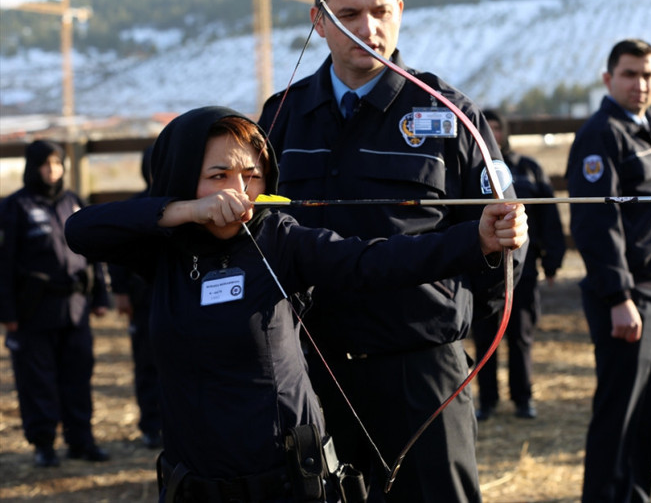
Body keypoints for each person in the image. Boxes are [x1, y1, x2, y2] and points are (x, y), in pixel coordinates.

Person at [64, 106, 527, 503]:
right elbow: (81, 229)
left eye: (252, 176)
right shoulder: (162, 248)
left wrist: (476, 239)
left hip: (288, 478)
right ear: (184, 178)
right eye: (218, 176)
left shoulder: (278, 238)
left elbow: (372, 261)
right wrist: (186, 211)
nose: (239, 192)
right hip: (195, 480)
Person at [257, 0, 523, 501]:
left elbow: (502, 237)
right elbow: (258, 231)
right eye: (348, 13)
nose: (369, 28)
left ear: (399, 12)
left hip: (421, 369)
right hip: (317, 370)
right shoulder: (283, 116)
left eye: (380, 11)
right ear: (318, 20)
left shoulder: (450, 114)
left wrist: (474, 325)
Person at [564, 38, 651, 502]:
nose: (640, 84)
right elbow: (598, 223)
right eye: (630, 74)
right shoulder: (602, 134)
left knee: (648, 419)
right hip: (628, 298)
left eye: (649, 75)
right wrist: (618, 297)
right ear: (608, 78)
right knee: (618, 419)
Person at [0, 140, 111, 467]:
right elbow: (3, 263)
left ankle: (81, 440)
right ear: (32, 167)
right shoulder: (15, 207)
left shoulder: (73, 202)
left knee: (78, 376)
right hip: (33, 311)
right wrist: (6, 312)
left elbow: (93, 253)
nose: (53, 170)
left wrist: (100, 295)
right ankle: (44, 444)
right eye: (46, 164)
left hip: (75, 308)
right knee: (37, 381)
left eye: (58, 164)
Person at [473, 108, 566, 421]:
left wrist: (552, 260)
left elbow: (549, 218)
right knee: (486, 339)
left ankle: (523, 398)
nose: (494, 134)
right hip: (483, 271)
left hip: (523, 271)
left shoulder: (528, 169)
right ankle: (486, 401)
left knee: (521, 337)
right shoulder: (470, 171)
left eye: (497, 127)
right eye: (488, 128)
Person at [107, 145, 162, 450]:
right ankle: (150, 426)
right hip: (143, 301)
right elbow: (117, 254)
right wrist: (120, 292)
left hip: (178, 299)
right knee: (146, 364)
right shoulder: (134, 208)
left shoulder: (191, 207)